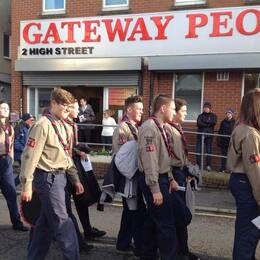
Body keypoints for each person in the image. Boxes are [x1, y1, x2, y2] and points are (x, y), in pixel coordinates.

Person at [20, 88, 84, 260]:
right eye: (65, 105)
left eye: (70, 106)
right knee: (63, 222)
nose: (68, 109)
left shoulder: (63, 124)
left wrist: (75, 179)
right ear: (53, 103)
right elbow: (29, 156)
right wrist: (26, 185)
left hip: (60, 178)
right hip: (47, 178)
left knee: (43, 224)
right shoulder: (42, 125)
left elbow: (65, 155)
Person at [138, 94, 178, 260]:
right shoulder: (150, 128)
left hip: (160, 177)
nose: (174, 113)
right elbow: (150, 160)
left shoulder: (160, 127)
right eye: (173, 109)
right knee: (166, 223)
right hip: (153, 179)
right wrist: (155, 188)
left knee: (153, 219)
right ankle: (169, 256)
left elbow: (162, 157)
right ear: (163, 108)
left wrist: (169, 178)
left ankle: (146, 253)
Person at [66, 100, 106, 241]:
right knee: (64, 209)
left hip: (75, 167)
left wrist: (80, 149)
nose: (78, 111)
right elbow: (63, 147)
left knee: (81, 200)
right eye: (76, 108)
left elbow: (73, 144)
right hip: (64, 171)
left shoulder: (73, 124)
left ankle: (87, 230)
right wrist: (77, 151)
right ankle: (68, 237)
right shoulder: (62, 125)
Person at [227, 88, 260, 260]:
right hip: (247, 183)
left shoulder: (241, 127)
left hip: (241, 182)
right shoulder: (250, 133)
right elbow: (254, 169)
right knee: (249, 232)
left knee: (247, 228)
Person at [165, 98, 199, 260]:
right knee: (179, 215)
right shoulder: (168, 129)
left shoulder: (177, 128)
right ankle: (177, 251)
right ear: (174, 112)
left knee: (181, 214)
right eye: (183, 111)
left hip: (180, 172)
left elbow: (181, 155)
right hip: (173, 174)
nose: (186, 113)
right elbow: (167, 157)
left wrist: (188, 171)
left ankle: (183, 250)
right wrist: (173, 176)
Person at [112, 95, 146, 257]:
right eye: (139, 108)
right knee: (136, 212)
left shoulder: (136, 127)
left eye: (142, 108)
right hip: (129, 180)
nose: (142, 111)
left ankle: (123, 243)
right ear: (129, 109)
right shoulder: (123, 129)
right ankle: (139, 247)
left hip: (135, 178)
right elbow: (121, 158)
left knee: (129, 212)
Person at [0, 101, 29, 232]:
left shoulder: (10, 127)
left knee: (11, 194)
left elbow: (11, 145)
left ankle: (17, 223)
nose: (5, 110)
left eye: (7, 108)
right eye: (2, 108)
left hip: (6, 163)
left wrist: (11, 159)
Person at [14, 113, 35, 186]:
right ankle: (12, 186)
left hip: (25, 154)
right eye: (31, 120)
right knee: (24, 172)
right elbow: (15, 142)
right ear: (27, 120)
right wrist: (24, 149)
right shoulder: (19, 127)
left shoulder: (27, 128)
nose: (32, 121)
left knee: (25, 172)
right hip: (20, 154)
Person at [196, 102, 217, 171]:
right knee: (198, 151)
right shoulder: (200, 116)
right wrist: (208, 123)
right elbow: (199, 123)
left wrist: (204, 123)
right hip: (200, 135)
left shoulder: (213, 116)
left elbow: (213, 122)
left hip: (209, 136)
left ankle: (208, 165)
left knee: (209, 151)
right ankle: (198, 165)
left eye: (207, 108)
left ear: (210, 109)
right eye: (204, 108)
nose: (206, 109)